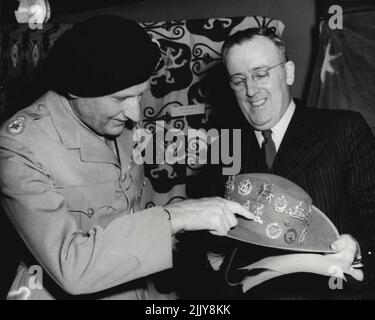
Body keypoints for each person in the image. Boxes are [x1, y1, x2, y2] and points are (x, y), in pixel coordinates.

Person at [0, 15, 254, 300]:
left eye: (139, 95)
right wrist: (177, 216)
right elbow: (71, 266)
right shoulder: (19, 147)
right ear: (75, 90)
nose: (135, 114)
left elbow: (126, 210)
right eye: (120, 99)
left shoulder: (117, 121)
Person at [191, 27, 375, 299]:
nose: (251, 90)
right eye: (238, 81)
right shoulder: (223, 145)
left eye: (261, 74)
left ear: (288, 72)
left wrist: (357, 247)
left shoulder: (344, 129)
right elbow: (209, 242)